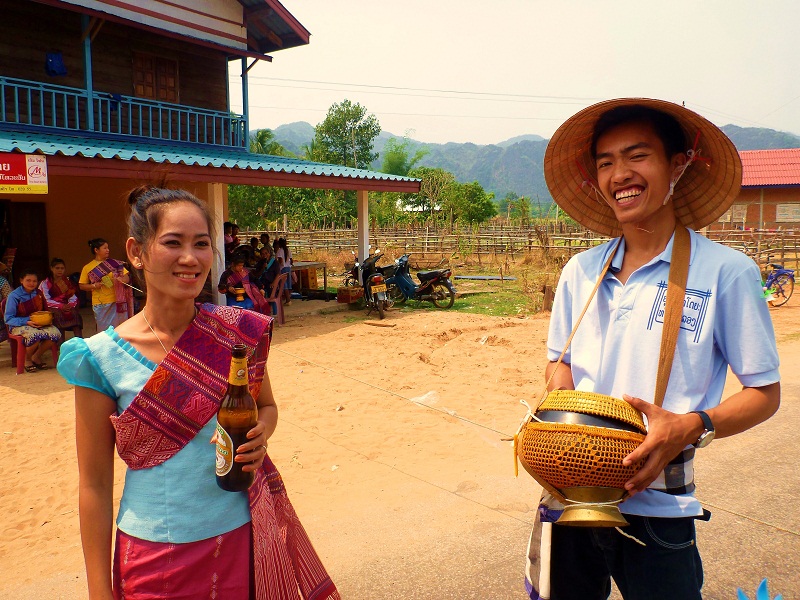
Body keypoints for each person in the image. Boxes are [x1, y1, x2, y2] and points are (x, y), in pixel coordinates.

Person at [525, 99, 781, 600]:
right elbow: (561, 362)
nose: (620, 173)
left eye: (637, 155)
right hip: (569, 499)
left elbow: (764, 393)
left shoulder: (727, 273)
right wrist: (563, 419)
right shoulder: (580, 271)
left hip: (660, 513)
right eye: (605, 162)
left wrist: (691, 426)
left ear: (678, 165)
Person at [57, 186, 338, 599]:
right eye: (173, 242)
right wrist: (99, 591)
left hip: (243, 539)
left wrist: (263, 430)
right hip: (154, 557)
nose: (191, 258)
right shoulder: (97, 359)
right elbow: (94, 487)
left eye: (202, 244)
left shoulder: (236, 333)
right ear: (137, 252)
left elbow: (267, 407)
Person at [3, 268, 62, 371]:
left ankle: (36, 356)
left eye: (34, 281)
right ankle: (27, 359)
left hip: (38, 323)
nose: (32, 283)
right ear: (21, 281)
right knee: (35, 336)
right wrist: (27, 321)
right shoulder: (14, 296)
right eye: (28, 280)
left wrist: (45, 319)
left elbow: (44, 310)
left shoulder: (38, 293)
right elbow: (8, 319)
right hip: (19, 325)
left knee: (55, 334)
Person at [79, 238, 133, 332]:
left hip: (117, 302)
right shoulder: (87, 267)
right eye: (105, 248)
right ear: (96, 250)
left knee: (120, 330)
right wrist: (94, 286)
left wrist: (121, 279)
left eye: (108, 248)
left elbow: (127, 278)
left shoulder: (114, 264)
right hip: (100, 304)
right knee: (104, 332)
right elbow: (82, 286)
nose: (108, 250)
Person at [40, 257, 83, 338]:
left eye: (62, 268)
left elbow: (73, 297)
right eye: (57, 268)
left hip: (66, 305)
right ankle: (60, 343)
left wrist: (70, 305)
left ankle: (80, 341)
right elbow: (46, 300)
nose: (60, 270)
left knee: (74, 314)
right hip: (51, 307)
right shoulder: (45, 283)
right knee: (58, 315)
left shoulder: (67, 282)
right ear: (51, 268)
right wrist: (61, 306)